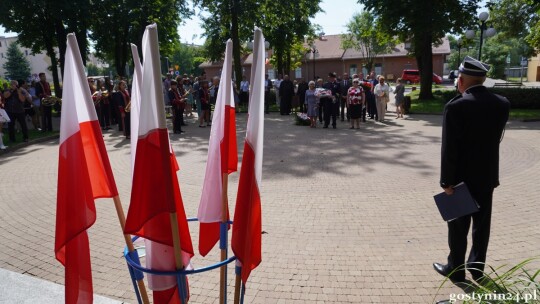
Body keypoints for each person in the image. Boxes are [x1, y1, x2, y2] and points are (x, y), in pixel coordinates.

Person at [433, 56, 510, 284]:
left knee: (458, 227)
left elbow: (450, 149)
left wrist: (446, 181)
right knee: (481, 226)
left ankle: (455, 270)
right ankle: (477, 269)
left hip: (460, 180)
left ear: (462, 80)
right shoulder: (502, 103)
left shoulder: (456, 106)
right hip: (487, 177)